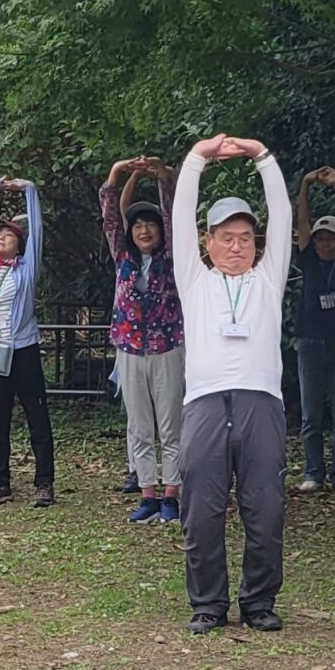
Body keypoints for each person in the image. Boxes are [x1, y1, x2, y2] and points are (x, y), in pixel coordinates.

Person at [170, 133, 292, 633]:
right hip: (204, 402)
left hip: (261, 401)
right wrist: (196, 158)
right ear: (208, 242)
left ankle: (259, 601)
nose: (237, 246)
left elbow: (282, 215)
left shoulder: (268, 279)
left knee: (265, 506)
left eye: (245, 238)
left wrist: (263, 155)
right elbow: (180, 217)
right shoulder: (195, 280)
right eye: (226, 238)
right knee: (200, 508)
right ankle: (208, 604)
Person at [0, 178, 55, 507]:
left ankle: (44, 483)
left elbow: (37, 230)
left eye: (9, 236)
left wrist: (29, 190)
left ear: (20, 245)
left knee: (36, 415)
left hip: (23, 350)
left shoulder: (26, 269)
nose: (2, 238)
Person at [102, 156, 183, 523]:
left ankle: (171, 495)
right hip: (130, 349)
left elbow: (173, 214)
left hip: (168, 347)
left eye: (150, 224)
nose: (144, 230)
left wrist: (163, 176)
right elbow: (111, 216)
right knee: (139, 425)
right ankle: (148, 494)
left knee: (171, 424)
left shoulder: (171, 257)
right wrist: (121, 172)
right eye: (137, 225)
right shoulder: (123, 257)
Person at [292, 165, 335, 491]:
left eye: (330, 238)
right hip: (310, 342)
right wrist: (305, 184)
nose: (324, 243)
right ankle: (313, 472)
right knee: (311, 414)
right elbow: (302, 223)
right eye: (320, 239)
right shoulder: (308, 260)